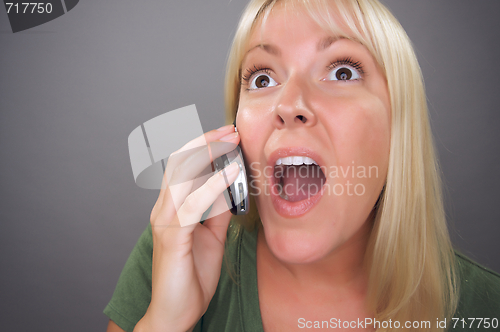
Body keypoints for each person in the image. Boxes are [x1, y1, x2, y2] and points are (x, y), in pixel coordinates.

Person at [104, 0, 500, 331]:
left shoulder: (487, 308)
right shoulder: (177, 250)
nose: (290, 103)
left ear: (399, 125)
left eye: (341, 71)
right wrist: (164, 321)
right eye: (262, 78)